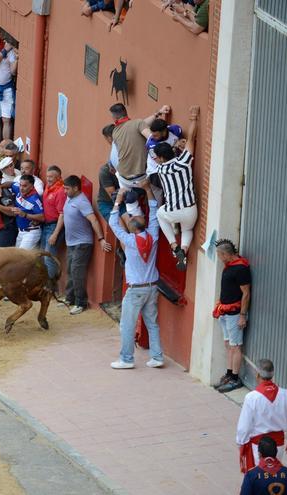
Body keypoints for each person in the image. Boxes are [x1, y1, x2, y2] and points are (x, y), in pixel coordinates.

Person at [108, 179, 164, 369]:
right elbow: (154, 212)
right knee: (152, 324)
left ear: (132, 228)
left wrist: (119, 200)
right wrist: (148, 190)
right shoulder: (153, 236)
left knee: (127, 325)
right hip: (152, 286)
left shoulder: (129, 241)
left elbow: (113, 222)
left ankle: (126, 359)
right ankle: (157, 357)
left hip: (136, 290)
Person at [49, 174, 111, 315]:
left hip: (82, 243)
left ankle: (81, 303)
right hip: (71, 242)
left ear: (76, 188)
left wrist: (101, 239)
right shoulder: (69, 198)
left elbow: (94, 220)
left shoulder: (82, 201)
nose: (64, 191)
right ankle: (70, 299)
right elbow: (63, 215)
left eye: (67, 188)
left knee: (77, 272)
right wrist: (56, 233)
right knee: (71, 270)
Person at [153, 106, 200, 271]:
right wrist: (193, 118)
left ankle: (175, 246)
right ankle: (184, 250)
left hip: (172, 211)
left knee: (159, 214)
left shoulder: (160, 170)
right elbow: (191, 139)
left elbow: (167, 157)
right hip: (191, 209)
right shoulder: (184, 162)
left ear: (160, 158)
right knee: (187, 229)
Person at [236, 359, 287, 473]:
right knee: (275, 472)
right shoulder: (286, 395)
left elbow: (243, 426)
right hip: (278, 445)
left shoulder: (251, 397)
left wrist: (241, 443)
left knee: (259, 476)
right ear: (272, 374)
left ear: (257, 374)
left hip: (258, 446)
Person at [212, 238, 252, 392]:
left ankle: (236, 379)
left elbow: (246, 293)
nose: (219, 258)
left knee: (236, 347)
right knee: (228, 344)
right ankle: (229, 374)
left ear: (226, 254)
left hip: (235, 314)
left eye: (219, 255)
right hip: (225, 312)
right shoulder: (229, 266)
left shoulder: (241, 269)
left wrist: (242, 315)